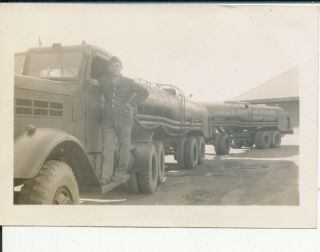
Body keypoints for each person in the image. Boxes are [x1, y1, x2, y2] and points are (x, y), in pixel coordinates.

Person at [98, 56, 149, 184]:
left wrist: (131, 103)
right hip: (108, 120)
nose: (114, 68)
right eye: (112, 66)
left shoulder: (128, 82)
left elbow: (144, 92)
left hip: (125, 120)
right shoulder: (103, 80)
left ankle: (120, 174)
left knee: (124, 148)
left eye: (117, 66)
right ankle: (105, 176)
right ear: (108, 69)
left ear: (121, 67)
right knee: (107, 149)